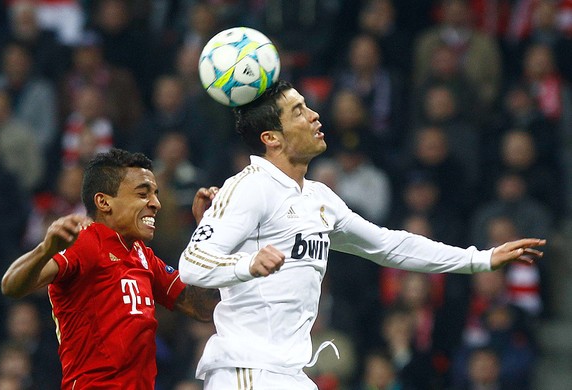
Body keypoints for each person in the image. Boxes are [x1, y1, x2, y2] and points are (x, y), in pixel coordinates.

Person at [177, 80, 546, 389]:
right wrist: (248, 264)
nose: (314, 115)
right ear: (271, 137)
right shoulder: (249, 187)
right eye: (299, 112)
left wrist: (478, 259)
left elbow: (388, 244)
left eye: (307, 107)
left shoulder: (317, 198)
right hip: (248, 371)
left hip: (287, 373)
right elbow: (192, 265)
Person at [1, 148, 220, 389]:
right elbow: (11, 285)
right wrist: (46, 249)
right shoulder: (85, 242)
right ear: (104, 202)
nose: (155, 203)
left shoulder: (142, 255)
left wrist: (206, 234)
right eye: (142, 194)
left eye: (155, 194)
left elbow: (203, 308)